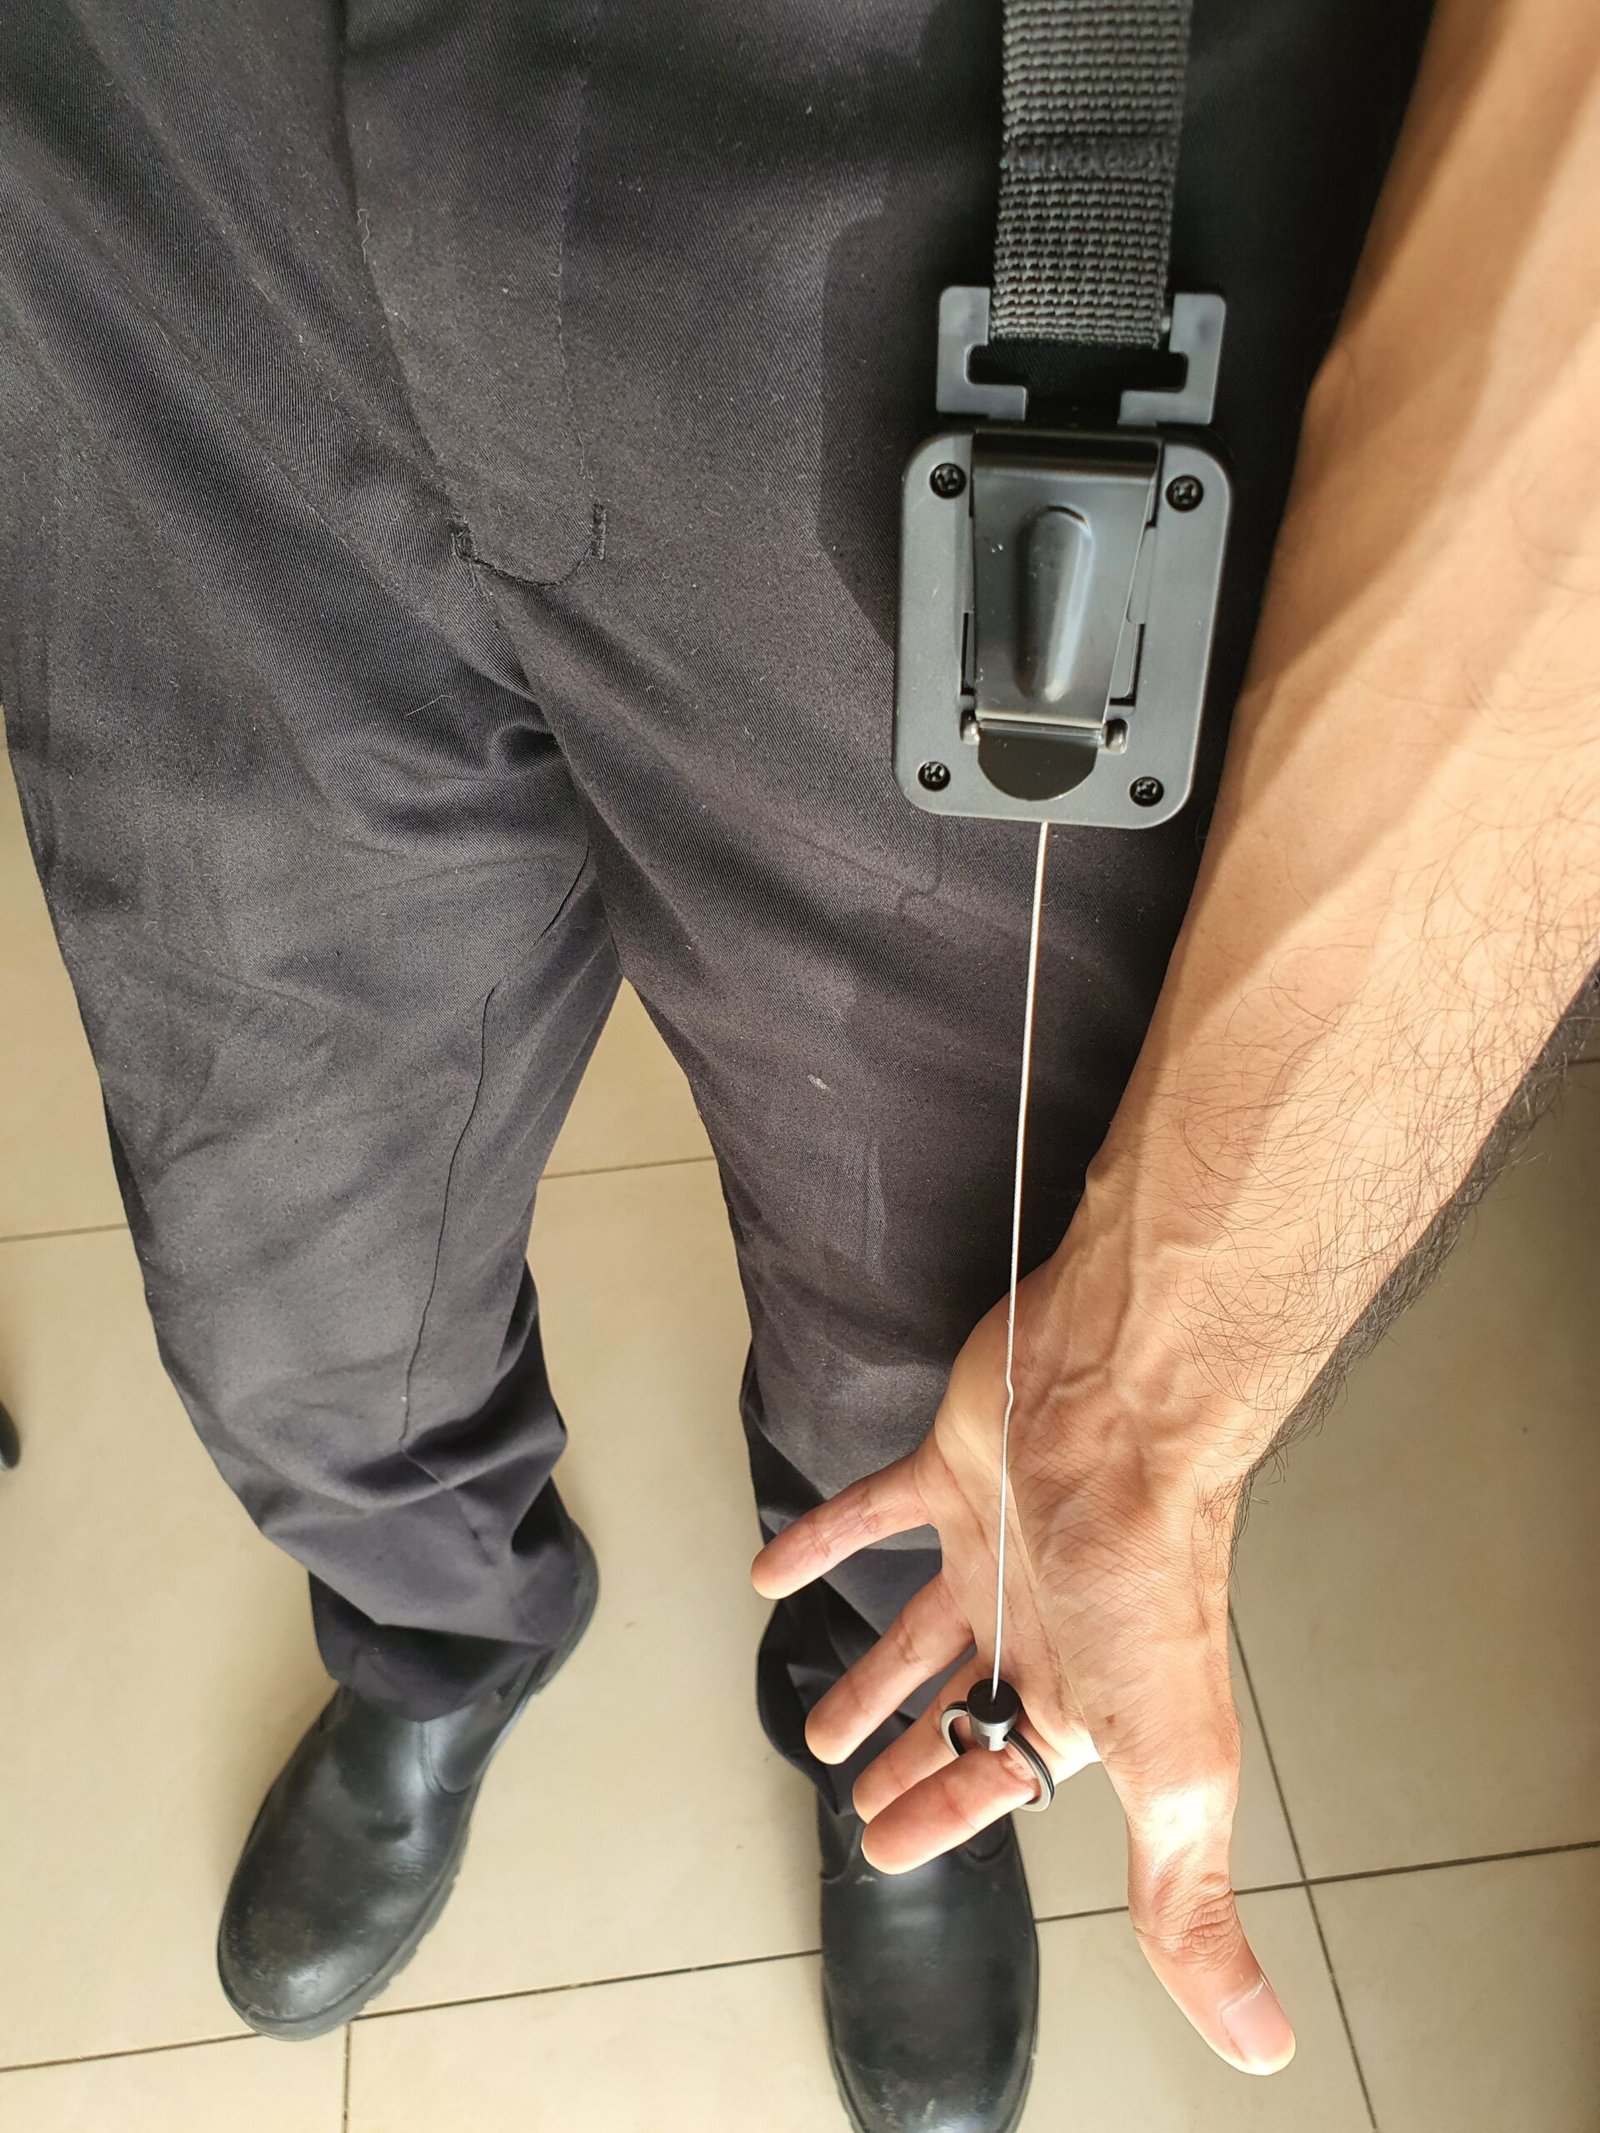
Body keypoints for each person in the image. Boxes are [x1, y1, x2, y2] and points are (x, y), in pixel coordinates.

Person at [4, 0, 1597, 2126]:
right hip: (174, 151)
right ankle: (432, 1629)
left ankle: (890, 1707)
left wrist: (1156, 1386)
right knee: (280, 1228)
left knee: (929, 1331)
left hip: (981, 181)